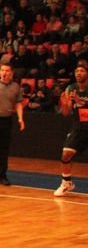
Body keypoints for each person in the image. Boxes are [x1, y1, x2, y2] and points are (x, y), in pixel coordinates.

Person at [54, 60, 88, 197]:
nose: (78, 73)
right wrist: (64, 103)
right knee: (66, 155)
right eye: (76, 71)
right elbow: (66, 113)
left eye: (82, 71)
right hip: (79, 127)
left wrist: (79, 102)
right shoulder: (70, 88)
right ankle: (66, 182)